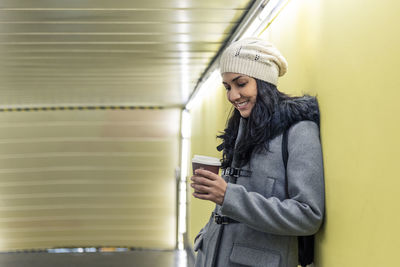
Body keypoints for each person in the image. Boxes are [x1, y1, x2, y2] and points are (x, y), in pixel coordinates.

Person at [190, 37, 325, 267]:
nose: (233, 96)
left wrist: (228, 196)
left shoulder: (298, 130)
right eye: (227, 87)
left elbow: (308, 215)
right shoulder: (241, 128)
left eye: (241, 83)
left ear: (263, 82)